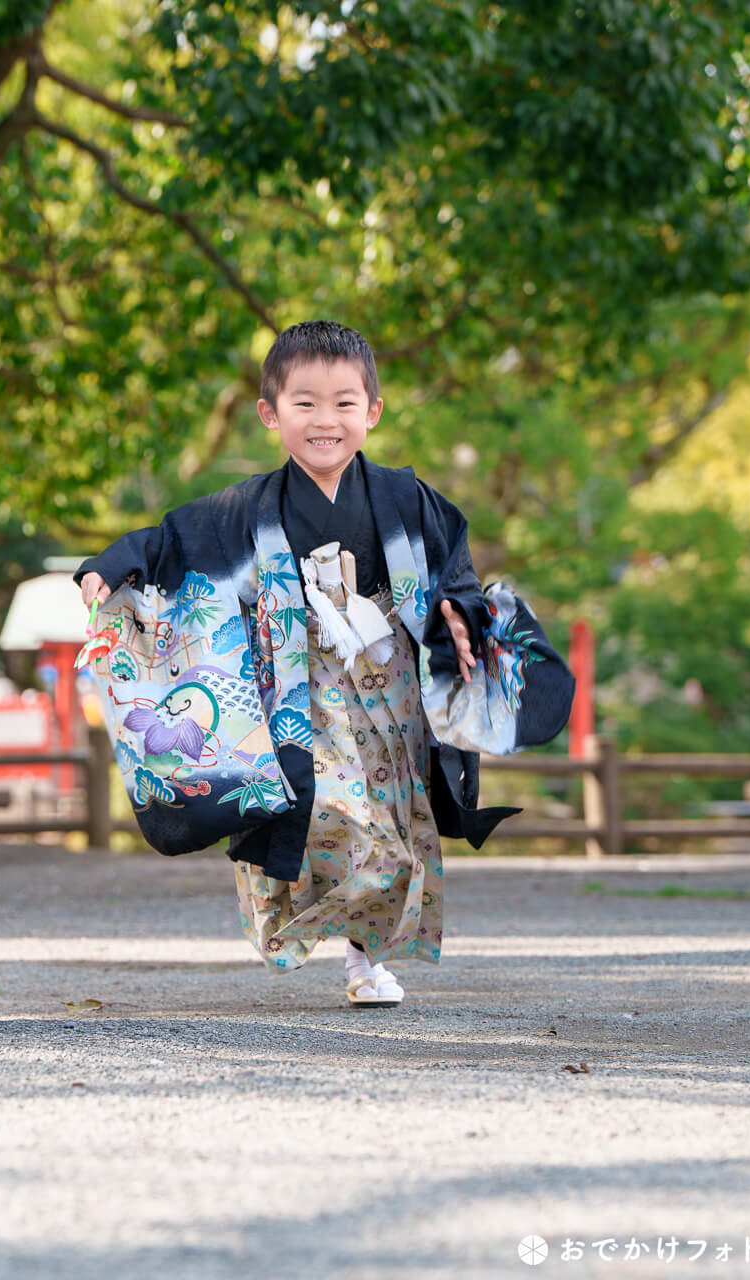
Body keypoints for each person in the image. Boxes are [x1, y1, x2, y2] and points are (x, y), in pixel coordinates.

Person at [78, 320, 566, 1008]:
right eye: (304, 403)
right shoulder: (245, 508)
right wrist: (105, 569)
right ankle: (331, 926)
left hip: (391, 682)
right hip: (297, 684)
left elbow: (453, 570)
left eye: (344, 402)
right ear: (270, 413)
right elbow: (165, 543)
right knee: (325, 811)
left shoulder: (407, 498)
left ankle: (367, 959)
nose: (325, 420)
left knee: (390, 821)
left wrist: (459, 613)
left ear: (373, 411)